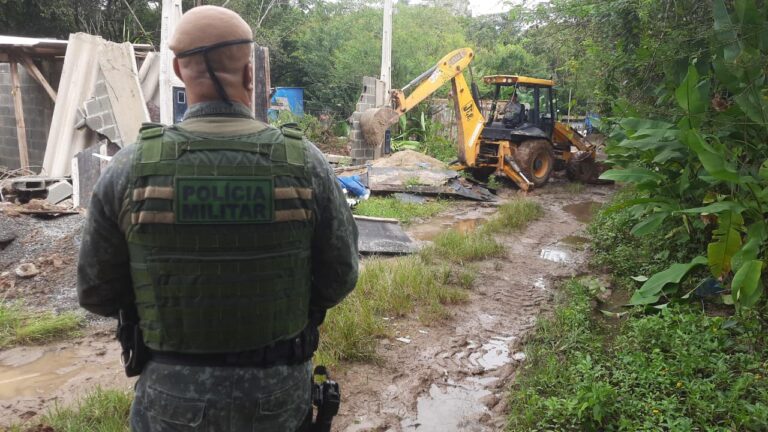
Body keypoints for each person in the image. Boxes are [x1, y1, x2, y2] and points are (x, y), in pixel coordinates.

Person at [76, 6, 358, 431]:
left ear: (176, 70)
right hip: (277, 392)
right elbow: (340, 275)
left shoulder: (130, 168)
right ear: (250, 74)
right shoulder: (306, 164)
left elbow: (96, 291)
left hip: (171, 393)